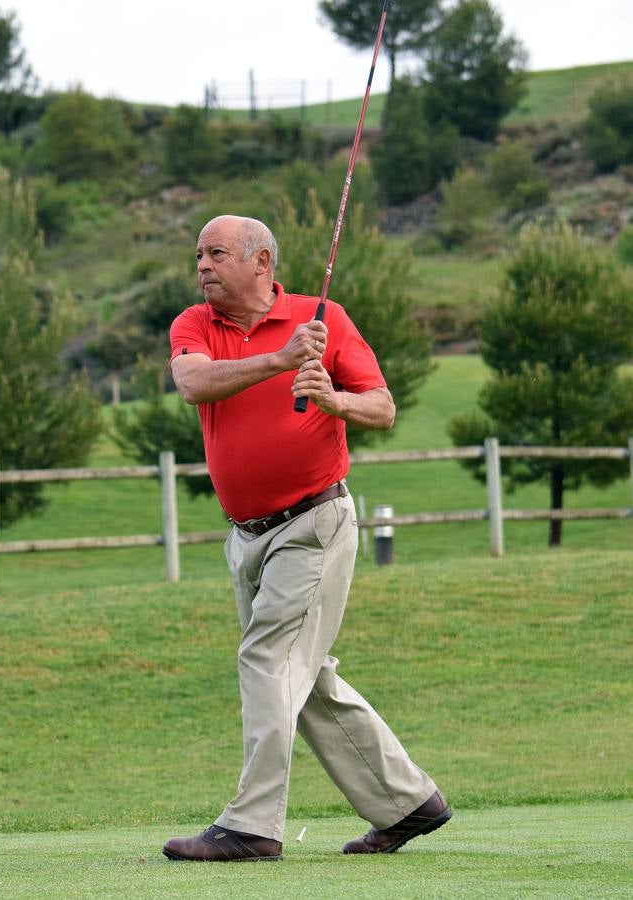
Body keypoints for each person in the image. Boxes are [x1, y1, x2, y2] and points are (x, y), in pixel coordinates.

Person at [162, 215, 450, 862]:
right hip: (247, 535)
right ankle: (407, 803)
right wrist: (282, 359)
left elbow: (381, 406)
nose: (202, 266)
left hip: (313, 525)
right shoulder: (194, 324)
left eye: (216, 254)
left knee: (267, 660)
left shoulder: (326, 316)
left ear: (261, 261)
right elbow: (193, 384)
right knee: (304, 675)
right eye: (198, 256)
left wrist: (334, 401)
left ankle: (253, 825)